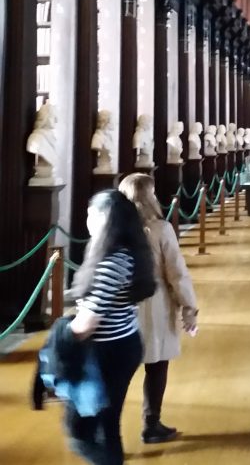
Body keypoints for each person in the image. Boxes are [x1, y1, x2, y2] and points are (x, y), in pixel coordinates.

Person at [64, 189, 156, 465]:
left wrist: (59, 342)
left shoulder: (110, 260)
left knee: (79, 429)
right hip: (121, 343)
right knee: (107, 422)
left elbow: (88, 322)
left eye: (90, 213)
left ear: (105, 218)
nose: (87, 219)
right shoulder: (125, 251)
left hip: (107, 352)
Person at [118, 173, 198, 445]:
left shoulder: (113, 229)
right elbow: (176, 273)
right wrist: (189, 306)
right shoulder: (160, 229)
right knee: (156, 365)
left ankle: (107, 431)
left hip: (122, 305)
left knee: (120, 370)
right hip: (154, 304)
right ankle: (151, 424)